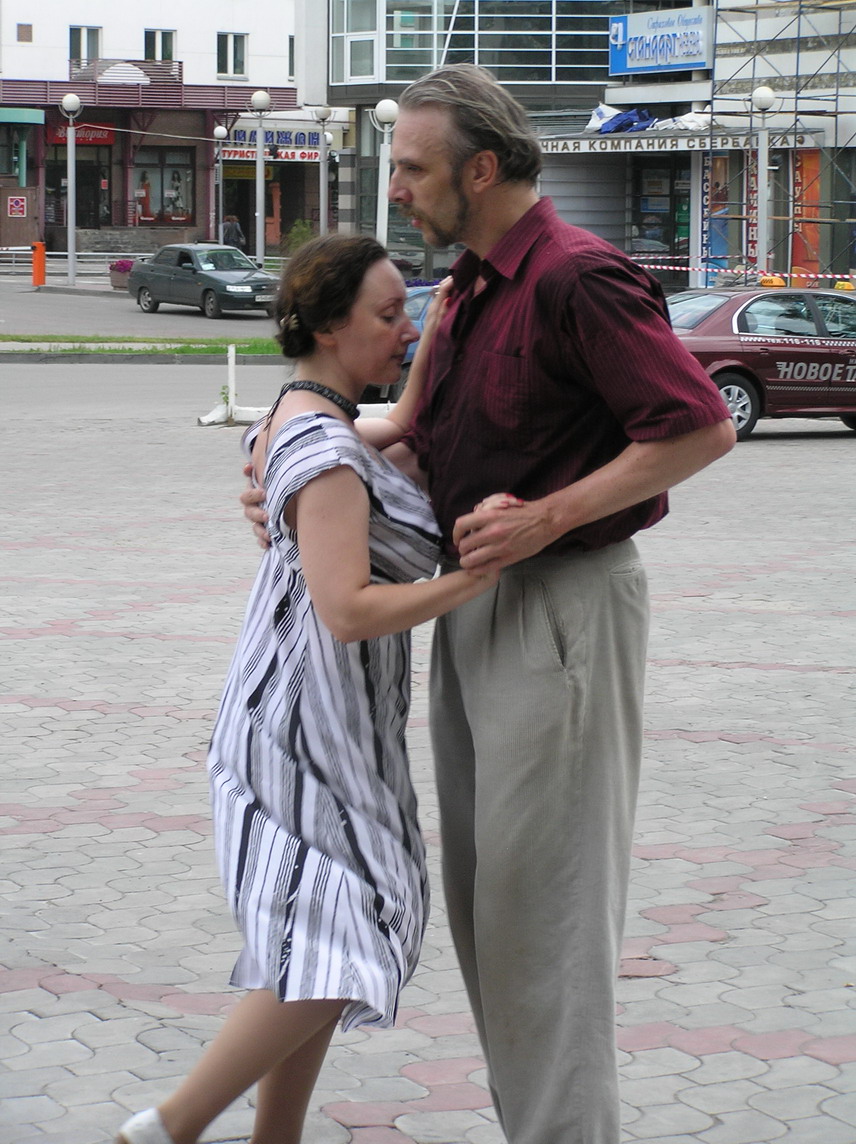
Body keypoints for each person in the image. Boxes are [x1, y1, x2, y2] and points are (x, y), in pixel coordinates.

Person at [242, 65, 736, 1144]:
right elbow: (417, 437)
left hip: (561, 611)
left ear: (480, 169)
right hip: (476, 606)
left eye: (413, 168)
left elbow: (699, 427)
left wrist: (549, 517)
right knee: (494, 913)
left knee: (546, 921)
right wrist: (294, 466)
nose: (398, 189)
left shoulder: (577, 276)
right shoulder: (470, 286)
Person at [114, 234, 499, 1144]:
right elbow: (348, 609)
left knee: (320, 938)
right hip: (301, 725)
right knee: (356, 930)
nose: (405, 329)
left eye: (409, 312)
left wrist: (439, 330)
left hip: (322, 716)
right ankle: (169, 1126)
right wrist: (475, 578)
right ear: (329, 326)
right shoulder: (322, 446)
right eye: (388, 314)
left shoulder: (309, 412)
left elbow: (402, 419)